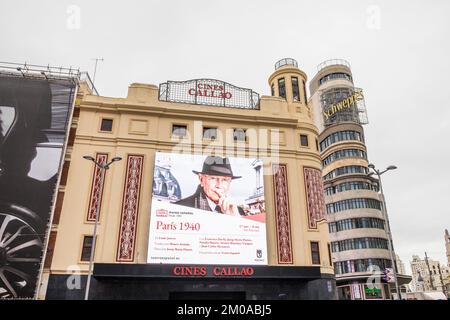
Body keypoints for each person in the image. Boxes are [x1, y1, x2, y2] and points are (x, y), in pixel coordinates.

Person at [175, 156, 245, 216]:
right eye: (213, 178)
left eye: (225, 180)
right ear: (201, 179)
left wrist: (234, 219)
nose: (219, 185)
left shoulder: (238, 212)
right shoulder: (180, 208)